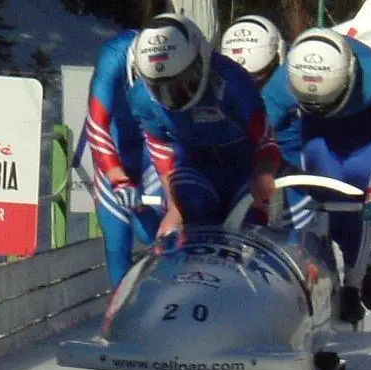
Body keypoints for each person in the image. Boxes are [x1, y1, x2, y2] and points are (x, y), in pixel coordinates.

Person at [262, 28, 371, 322]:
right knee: (319, 195)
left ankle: (355, 278)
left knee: (356, 194)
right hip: (317, 128)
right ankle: (324, 270)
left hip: (367, 131)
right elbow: (257, 128)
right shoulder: (286, 80)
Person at [129, 13, 280, 234]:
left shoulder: (234, 84)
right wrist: (174, 208)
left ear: (201, 60)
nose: (173, 94)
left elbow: (265, 141)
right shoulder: (142, 98)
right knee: (193, 207)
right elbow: (161, 151)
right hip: (195, 168)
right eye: (159, 87)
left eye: (183, 82)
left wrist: (263, 173)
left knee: (249, 223)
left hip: (244, 169)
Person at [83, 29, 164, 287]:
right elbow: (96, 125)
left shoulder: (173, 54)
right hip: (117, 146)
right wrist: (117, 178)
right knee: (116, 243)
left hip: (152, 146)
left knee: (151, 232)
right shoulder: (112, 58)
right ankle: (118, 309)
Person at [219, 15, 314, 230]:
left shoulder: (297, 80)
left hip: (295, 176)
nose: (248, 88)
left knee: (304, 236)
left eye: (257, 78)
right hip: (244, 173)